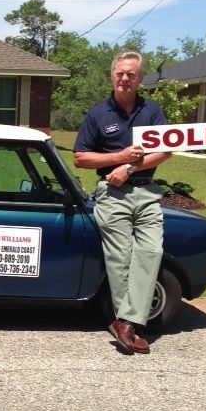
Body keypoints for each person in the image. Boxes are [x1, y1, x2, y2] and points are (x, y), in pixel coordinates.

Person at [73, 51, 171, 354]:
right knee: (121, 258)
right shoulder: (98, 114)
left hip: (146, 191)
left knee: (151, 252)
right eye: (120, 73)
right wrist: (119, 158)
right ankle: (133, 326)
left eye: (131, 74)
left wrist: (130, 167)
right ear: (112, 76)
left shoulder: (153, 111)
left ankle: (124, 322)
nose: (125, 78)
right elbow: (81, 157)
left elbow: (166, 150)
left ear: (140, 78)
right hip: (112, 194)